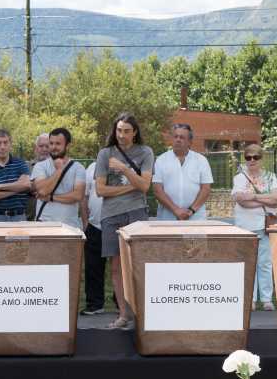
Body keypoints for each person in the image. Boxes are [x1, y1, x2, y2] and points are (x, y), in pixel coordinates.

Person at [94, 113, 153, 329]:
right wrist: (131, 185)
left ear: (135, 132)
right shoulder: (104, 154)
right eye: (119, 130)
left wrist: (125, 169)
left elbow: (145, 187)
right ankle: (123, 314)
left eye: (127, 130)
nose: (122, 135)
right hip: (110, 215)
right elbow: (100, 190)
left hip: (136, 212)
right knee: (117, 268)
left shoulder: (145, 152)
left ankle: (141, 314)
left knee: (138, 265)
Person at [231, 143, 277, 311]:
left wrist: (252, 196)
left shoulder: (270, 176)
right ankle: (250, 299)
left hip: (264, 224)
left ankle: (267, 299)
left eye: (255, 157)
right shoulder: (239, 177)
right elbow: (240, 200)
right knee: (249, 263)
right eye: (248, 157)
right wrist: (262, 198)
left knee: (265, 263)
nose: (252, 160)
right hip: (244, 226)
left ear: (261, 158)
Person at [153, 123, 212, 220]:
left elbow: (206, 189)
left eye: (182, 137)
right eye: (175, 136)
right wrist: (175, 210)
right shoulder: (161, 160)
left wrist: (191, 211)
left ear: (190, 142)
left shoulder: (201, 160)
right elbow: (157, 190)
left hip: (195, 217)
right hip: (167, 217)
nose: (178, 140)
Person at [31, 128, 87, 228]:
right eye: (51, 143)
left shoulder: (78, 167)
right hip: (44, 226)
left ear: (68, 146)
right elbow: (43, 190)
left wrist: (51, 198)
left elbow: (77, 195)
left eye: (58, 144)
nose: (53, 147)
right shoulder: (40, 166)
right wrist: (59, 170)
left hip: (70, 227)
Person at [0, 129, 31, 222]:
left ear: (10, 145)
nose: (2, 147)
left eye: (5, 143)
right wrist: (16, 189)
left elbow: (26, 185)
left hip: (18, 216)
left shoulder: (20, 163)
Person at [80, 161, 106, 315]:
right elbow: (84, 197)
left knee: (120, 268)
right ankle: (95, 304)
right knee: (92, 267)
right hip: (94, 225)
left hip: (118, 226)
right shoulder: (92, 167)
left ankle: (121, 304)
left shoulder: (126, 167)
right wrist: (85, 222)